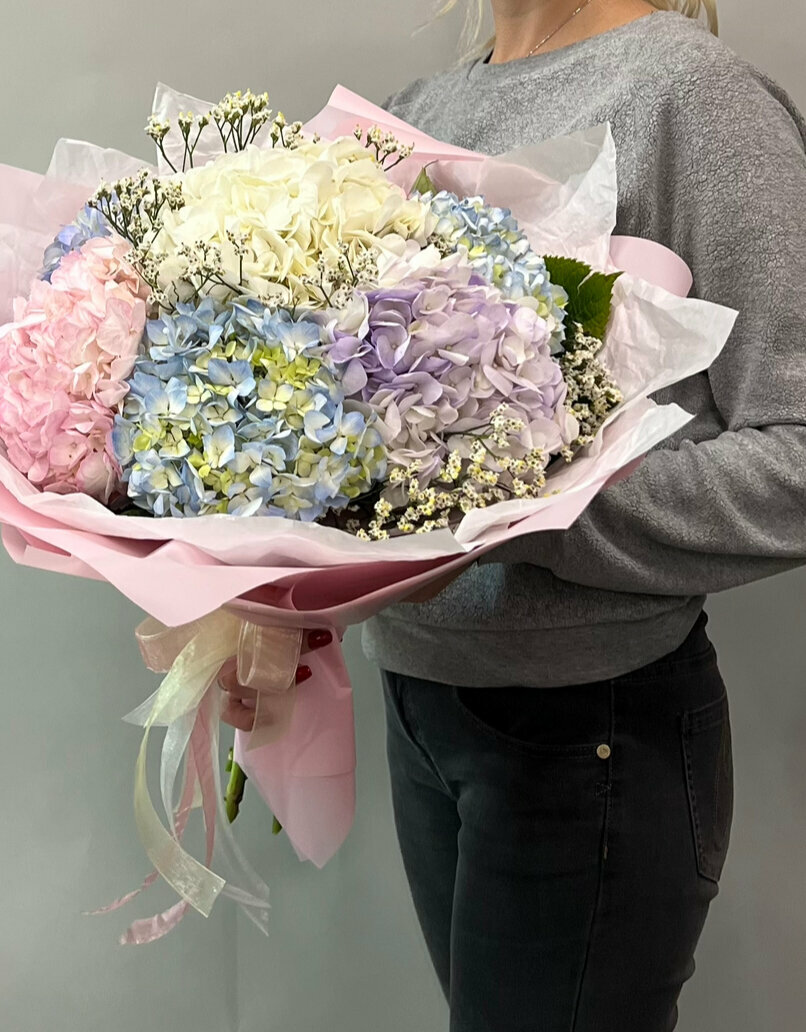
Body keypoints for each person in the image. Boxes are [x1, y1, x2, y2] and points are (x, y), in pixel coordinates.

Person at [220, 2, 806, 1028]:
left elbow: (796, 457)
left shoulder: (694, 96)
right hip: (421, 706)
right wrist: (282, 601)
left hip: (592, 731)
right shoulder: (416, 111)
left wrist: (526, 510)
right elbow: (364, 442)